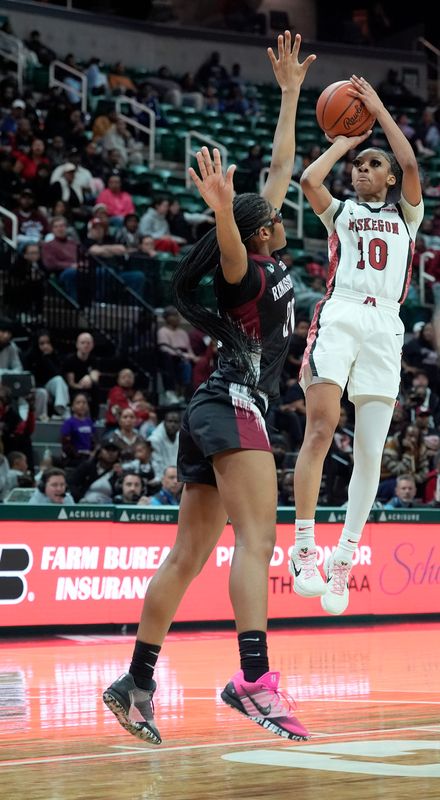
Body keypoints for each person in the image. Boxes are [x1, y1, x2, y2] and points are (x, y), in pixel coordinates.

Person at [103, 32, 315, 745]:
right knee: (257, 537)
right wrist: (224, 208)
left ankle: (134, 683)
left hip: (213, 407)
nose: (284, 220)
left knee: (187, 555)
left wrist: (288, 94)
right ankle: (252, 681)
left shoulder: (267, 247)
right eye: (273, 220)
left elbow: (281, 165)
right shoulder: (246, 272)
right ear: (256, 237)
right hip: (234, 404)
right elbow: (233, 237)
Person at [289, 74, 424, 615]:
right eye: (358, 166)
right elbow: (308, 178)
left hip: (385, 328)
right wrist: (345, 137)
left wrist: (378, 112)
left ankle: (345, 556)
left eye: (372, 164)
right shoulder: (342, 212)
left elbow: (412, 165)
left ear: (389, 178)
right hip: (341, 314)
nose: (361, 170)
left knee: (370, 451)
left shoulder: (406, 216)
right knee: (321, 427)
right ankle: (303, 549)